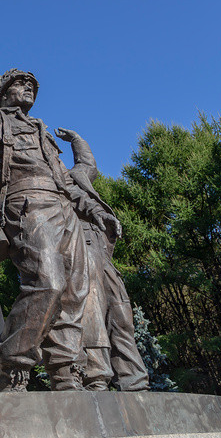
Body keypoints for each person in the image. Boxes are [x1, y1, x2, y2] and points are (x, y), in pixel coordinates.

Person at [0, 69, 119, 391]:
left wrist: (95, 210)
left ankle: (65, 372)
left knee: (74, 294)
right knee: (48, 283)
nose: (28, 87)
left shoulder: (41, 129)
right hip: (27, 204)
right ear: (2, 92)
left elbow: (66, 180)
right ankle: (14, 366)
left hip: (64, 209)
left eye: (32, 85)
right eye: (20, 83)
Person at [54, 127, 150, 392]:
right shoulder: (48, 180)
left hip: (99, 247)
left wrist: (77, 140)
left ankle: (134, 381)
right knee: (91, 312)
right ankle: (96, 378)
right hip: (78, 244)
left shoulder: (74, 176)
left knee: (121, 313)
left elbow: (88, 166)